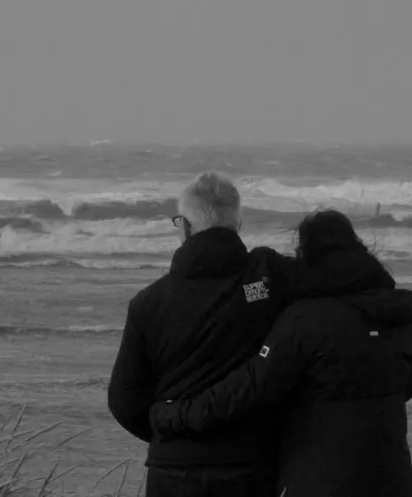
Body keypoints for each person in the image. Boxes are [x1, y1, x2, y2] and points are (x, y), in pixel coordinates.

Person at [149, 210, 412, 497]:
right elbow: (408, 384)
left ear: (307, 256)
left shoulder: (305, 320)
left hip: (320, 480)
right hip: (393, 479)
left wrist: (176, 414)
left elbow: (250, 387)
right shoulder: (397, 315)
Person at [108, 172, 293, 497]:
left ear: (186, 227)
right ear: (237, 224)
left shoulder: (150, 303)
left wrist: (173, 435)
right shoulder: (263, 282)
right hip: (251, 465)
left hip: (174, 470)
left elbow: (125, 401)